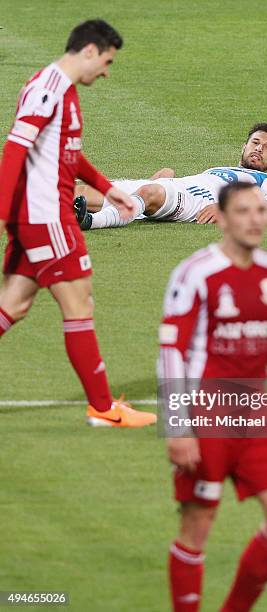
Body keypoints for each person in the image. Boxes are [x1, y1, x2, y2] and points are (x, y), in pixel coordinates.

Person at [0, 19, 156, 428]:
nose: (106, 71)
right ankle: (103, 408)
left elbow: (68, 155)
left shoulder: (62, 91)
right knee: (79, 303)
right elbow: (14, 152)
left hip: (40, 216)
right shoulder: (46, 89)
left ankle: (103, 407)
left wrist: (108, 187)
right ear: (89, 50)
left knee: (11, 304)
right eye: (106, 61)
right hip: (46, 217)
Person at [158, 182, 267, 611]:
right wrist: (178, 426)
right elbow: (172, 349)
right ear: (220, 217)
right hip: (207, 415)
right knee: (197, 529)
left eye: (260, 210)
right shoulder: (195, 272)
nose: (255, 219)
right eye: (243, 211)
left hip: (256, 414)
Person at [74, 122, 267, 229]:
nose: (258, 149)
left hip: (195, 201)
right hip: (173, 187)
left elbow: (266, 207)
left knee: (149, 193)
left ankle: (91, 222)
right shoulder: (218, 169)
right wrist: (162, 179)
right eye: (255, 143)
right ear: (244, 146)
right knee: (80, 192)